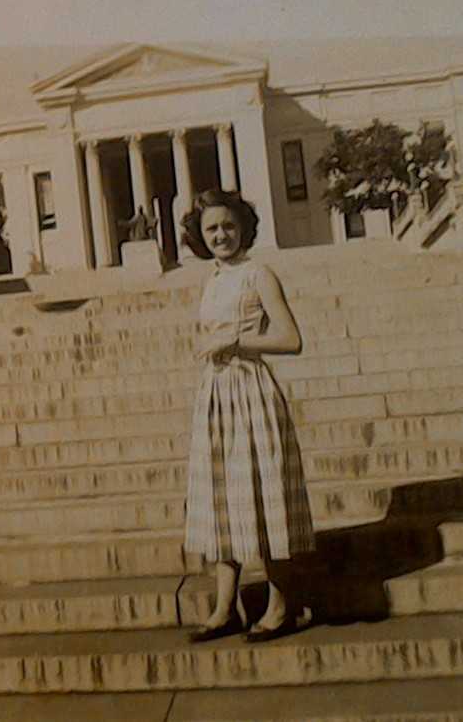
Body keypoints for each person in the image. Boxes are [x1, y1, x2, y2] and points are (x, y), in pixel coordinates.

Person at [181, 188, 316, 644]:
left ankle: (281, 605)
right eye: (211, 228)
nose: (221, 235)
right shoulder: (213, 279)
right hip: (216, 395)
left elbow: (291, 338)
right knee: (219, 497)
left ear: (243, 228)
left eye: (228, 226)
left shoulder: (259, 274)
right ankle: (225, 608)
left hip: (251, 394)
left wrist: (237, 344)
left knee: (262, 494)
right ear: (200, 236)